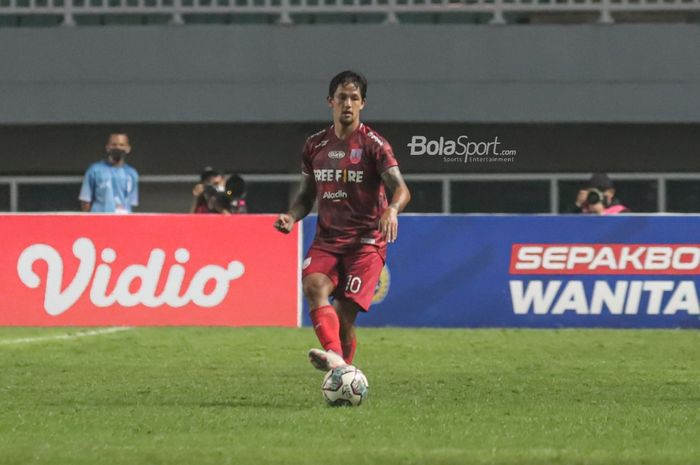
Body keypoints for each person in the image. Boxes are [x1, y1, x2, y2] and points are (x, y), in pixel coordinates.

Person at [274, 70, 411, 372]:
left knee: (344, 315)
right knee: (313, 287)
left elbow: (401, 189)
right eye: (341, 98)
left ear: (363, 104)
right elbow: (306, 196)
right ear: (330, 102)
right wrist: (291, 216)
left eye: (354, 98)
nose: (347, 104)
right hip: (327, 240)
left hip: (365, 244)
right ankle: (339, 365)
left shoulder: (375, 145)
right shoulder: (314, 146)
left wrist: (391, 210)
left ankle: (339, 367)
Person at [79, 132, 139, 213]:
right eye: (114, 144)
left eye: (121, 145)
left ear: (128, 148)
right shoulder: (94, 170)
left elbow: (131, 202)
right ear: (107, 147)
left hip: (123, 220)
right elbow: (85, 201)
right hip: (99, 219)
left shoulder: (132, 173)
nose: (117, 147)